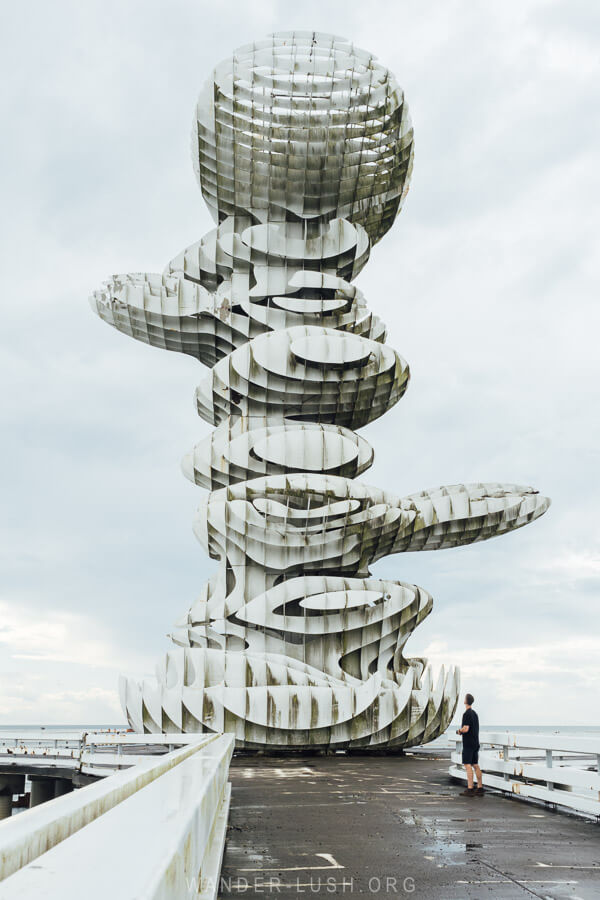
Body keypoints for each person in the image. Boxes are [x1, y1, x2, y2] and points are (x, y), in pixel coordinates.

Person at [456, 692, 483, 796]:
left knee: (467, 765)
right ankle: (480, 787)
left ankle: (470, 789)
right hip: (476, 742)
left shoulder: (466, 714)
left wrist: (459, 731)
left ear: (466, 701)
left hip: (468, 743)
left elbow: (466, 729)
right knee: (475, 765)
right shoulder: (475, 714)